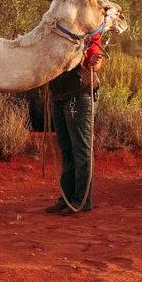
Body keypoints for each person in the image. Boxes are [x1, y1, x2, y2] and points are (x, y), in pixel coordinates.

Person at [45, 36, 103, 215]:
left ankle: (82, 200)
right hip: (59, 96)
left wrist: (93, 62)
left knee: (80, 149)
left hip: (78, 96)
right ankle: (67, 198)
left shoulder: (88, 33)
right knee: (67, 149)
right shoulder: (56, 31)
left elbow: (95, 62)